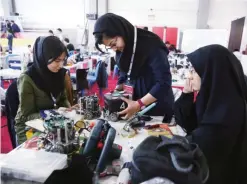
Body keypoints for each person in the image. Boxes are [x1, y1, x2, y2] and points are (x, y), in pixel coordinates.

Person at [174, 45, 247, 183]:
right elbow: (186, 122)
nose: (189, 76)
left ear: (211, 73)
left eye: (195, 71)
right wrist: (186, 94)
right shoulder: (211, 97)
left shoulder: (228, 110)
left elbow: (201, 145)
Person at [93, 13, 174, 120]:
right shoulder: (122, 47)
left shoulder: (152, 44)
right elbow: (124, 71)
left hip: (156, 105)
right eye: (110, 47)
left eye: (113, 43)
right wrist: (119, 86)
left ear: (121, 30)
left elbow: (164, 82)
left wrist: (139, 104)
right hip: (134, 104)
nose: (114, 49)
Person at [15, 36, 71, 144]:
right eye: (57, 60)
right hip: (29, 130)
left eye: (63, 60)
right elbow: (27, 116)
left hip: (52, 126)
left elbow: (63, 99)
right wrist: (54, 113)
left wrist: (68, 111)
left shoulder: (60, 74)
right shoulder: (28, 79)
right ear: (43, 57)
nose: (61, 65)